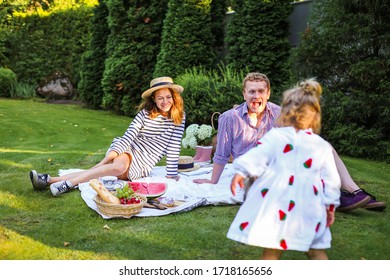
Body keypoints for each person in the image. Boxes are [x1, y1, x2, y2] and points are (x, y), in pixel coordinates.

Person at [194, 72, 386, 212]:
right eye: (251, 91)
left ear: (268, 93)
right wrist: (213, 180)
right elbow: (221, 154)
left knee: (324, 148)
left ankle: (355, 192)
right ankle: (336, 197)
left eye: (261, 91)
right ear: (244, 93)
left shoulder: (279, 112)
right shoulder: (229, 118)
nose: (256, 96)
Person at [227, 78, 341, 260]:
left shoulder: (276, 137)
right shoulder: (322, 146)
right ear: (315, 116)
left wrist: (241, 171)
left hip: (276, 203)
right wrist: (330, 205)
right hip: (309, 204)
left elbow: (257, 156)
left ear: (286, 112)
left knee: (272, 249)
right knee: (315, 249)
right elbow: (331, 181)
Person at [30, 76, 186, 196]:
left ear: (174, 97)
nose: (165, 101)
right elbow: (127, 138)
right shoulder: (144, 114)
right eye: (160, 98)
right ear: (153, 99)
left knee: (104, 171)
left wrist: (171, 175)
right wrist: (103, 161)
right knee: (117, 167)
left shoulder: (180, 117)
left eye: (168, 97)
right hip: (127, 151)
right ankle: (67, 185)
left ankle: (48, 180)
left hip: (144, 164)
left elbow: (174, 146)